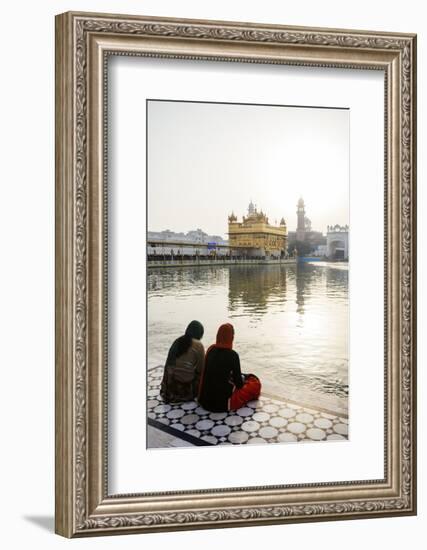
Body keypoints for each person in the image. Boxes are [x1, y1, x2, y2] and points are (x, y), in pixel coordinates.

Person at [197, 323, 261, 412]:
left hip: (205, 401)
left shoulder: (211, 350)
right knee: (255, 384)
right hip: (222, 404)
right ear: (231, 337)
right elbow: (239, 385)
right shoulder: (233, 355)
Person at [160, 320, 205, 403]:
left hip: (168, 390)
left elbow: (168, 366)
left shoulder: (178, 341)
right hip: (184, 392)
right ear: (200, 334)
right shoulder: (198, 345)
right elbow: (201, 369)